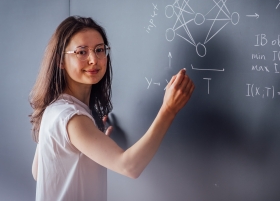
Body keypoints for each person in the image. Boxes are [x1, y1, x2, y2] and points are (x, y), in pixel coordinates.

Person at [30, 16, 195, 201]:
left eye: (99, 50)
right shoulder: (72, 117)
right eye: (81, 52)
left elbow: (38, 172)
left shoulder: (54, 109)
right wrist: (168, 110)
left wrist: (95, 145)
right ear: (60, 60)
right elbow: (129, 167)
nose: (94, 59)